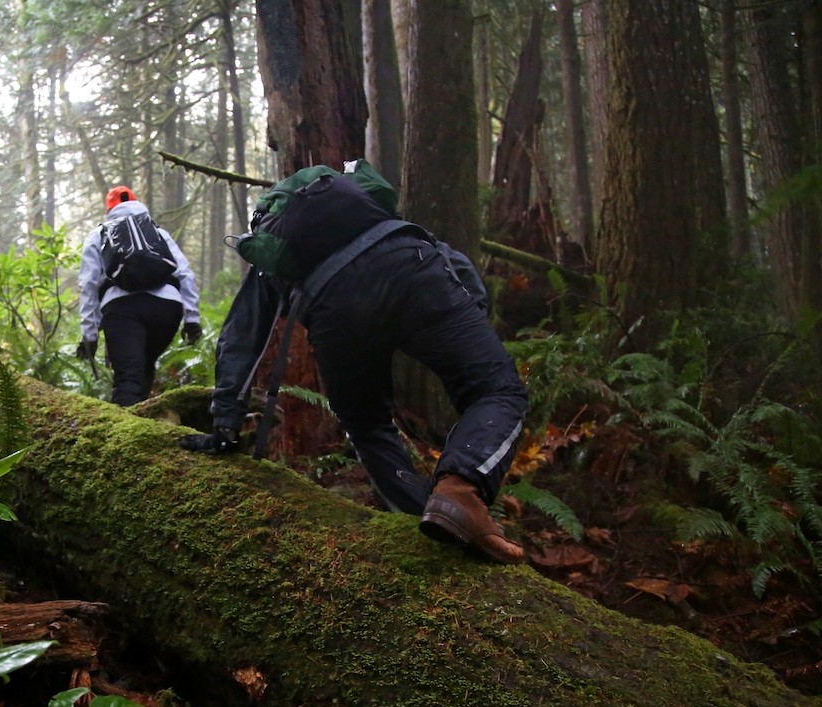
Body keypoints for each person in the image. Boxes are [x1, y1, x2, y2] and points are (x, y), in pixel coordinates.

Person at [179, 170, 528, 565]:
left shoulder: (274, 249)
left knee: (366, 424)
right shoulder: (370, 211)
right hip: (413, 269)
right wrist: (467, 322)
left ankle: (423, 525)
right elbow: (456, 265)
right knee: (496, 390)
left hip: (332, 306)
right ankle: (460, 490)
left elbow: (241, 336)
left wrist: (225, 424)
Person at [77, 186, 202, 406]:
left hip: (122, 308)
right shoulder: (158, 232)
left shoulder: (99, 233)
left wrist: (89, 335)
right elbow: (185, 274)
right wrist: (192, 319)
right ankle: (142, 422)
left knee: (128, 375)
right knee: (144, 366)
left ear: (110, 209)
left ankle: (126, 433)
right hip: (167, 308)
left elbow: (88, 285)